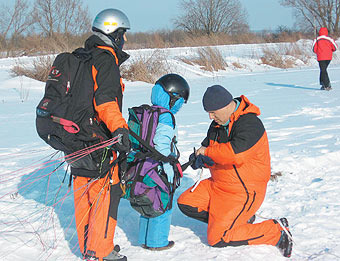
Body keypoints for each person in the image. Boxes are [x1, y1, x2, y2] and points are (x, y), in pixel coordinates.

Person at [177, 85, 293, 258]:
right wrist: (199, 159)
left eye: (213, 112)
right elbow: (207, 148)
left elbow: (236, 154)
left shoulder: (250, 123)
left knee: (218, 238)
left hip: (243, 190)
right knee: (186, 202)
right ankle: (237, 221)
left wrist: (207, 153)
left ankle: (275, 231)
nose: (210, 116)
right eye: (208, 112)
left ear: (226, 106)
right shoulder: (217, 124)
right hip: (219, 184)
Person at [71, 9, 131, 261]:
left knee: (83, 195)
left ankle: (89, 248)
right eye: (123, 34)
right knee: (105, 195)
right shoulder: (105, 60)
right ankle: (102, 251)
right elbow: (106, 102)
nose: (124, 40)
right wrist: (121, 130)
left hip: (75, 138)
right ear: (113, 33)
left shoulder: (81, 56)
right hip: (100, 139)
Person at [138, 74, 190, 251]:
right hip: (159, 168)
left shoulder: (147, 111)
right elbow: (161, 143)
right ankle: (157, 242)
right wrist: (169, 168)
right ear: (172, 97)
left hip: (142, 167)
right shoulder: (166, 116)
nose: (180, 105)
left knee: (147, 202)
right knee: (162, 204)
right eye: (180, 101)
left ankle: (143, 238)